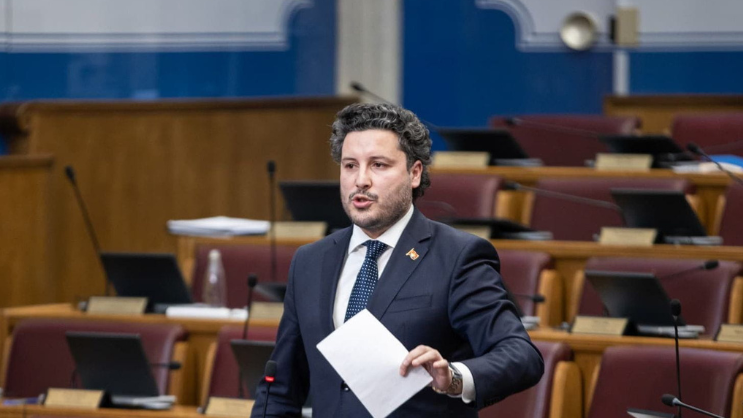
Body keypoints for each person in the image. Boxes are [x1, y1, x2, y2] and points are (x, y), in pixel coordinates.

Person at [251, 103, 543, 417]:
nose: (361, 180)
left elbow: (521, 356)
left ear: (414, 173)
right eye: (350, 166)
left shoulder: (457, 256)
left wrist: (454, 378)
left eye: (378, 165)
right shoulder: (310, 261)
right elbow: (280, 387)